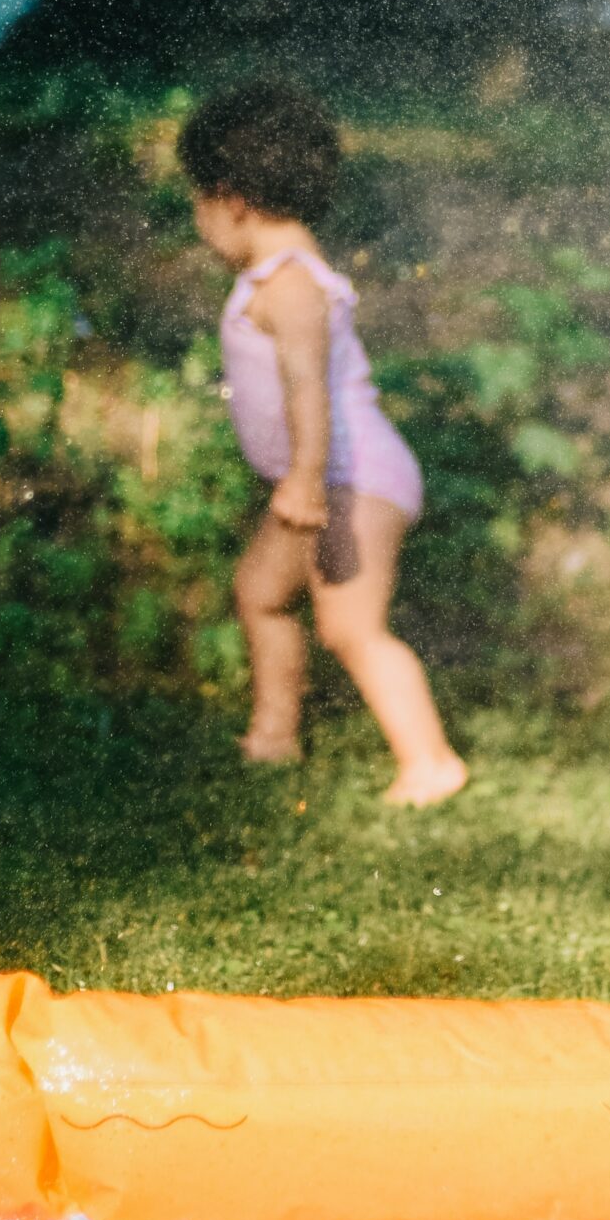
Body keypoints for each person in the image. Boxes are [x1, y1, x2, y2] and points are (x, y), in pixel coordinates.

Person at [178, 79, 468, 809]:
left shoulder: (290, 287)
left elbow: (308, 387)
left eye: (197, 201)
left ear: (231, 199)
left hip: (348, 477)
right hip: (318, 479)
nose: (196, 220)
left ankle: (430, 763)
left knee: (350, 626)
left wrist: (304, 479)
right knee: (260, 594)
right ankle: (272, 738)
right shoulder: (275, 278)